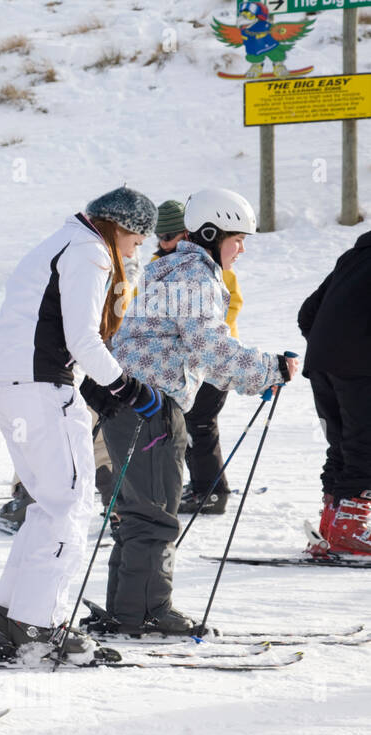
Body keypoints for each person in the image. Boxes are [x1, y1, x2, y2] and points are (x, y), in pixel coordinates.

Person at [101, 188, 297, 636]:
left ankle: (126, 609)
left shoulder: (164, 268)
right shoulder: (196, 277)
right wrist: (270, 369)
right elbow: (211, 349)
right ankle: (146, 613)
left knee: (137, 513)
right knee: (154, 515)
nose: (242, 249)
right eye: (237, 239)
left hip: (126, 403)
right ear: (210, 234)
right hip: (152, 407)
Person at [0, 186, 161, 661]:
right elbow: (81, 336)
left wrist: (101, 384)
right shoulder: (88, 252)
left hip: (13, 386)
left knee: (48, 502)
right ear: (120, 227)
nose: (135, 249)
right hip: (43, 390)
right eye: (138, 240)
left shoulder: (57, 242)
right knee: (70, 504)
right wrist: (127, 387)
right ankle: (40, 625)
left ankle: (16, 612)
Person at [153, 199, 245, 516]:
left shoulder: (210, 268)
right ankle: (198, 486)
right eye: (162, 237)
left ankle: (211, 491)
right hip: (175, 364)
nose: (168, 243)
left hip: (209, 361)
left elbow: (227, 308)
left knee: (200, 424)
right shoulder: (159, 265)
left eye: (174, 235)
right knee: (181, 426)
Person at [297, 231, 371, 555]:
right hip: (359, 367)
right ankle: (350, 528)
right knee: (365, 445)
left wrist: (329, 348)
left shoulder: (353, 257)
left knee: (342, 445)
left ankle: (333, 520)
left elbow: (307, 313)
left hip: (321, 364)